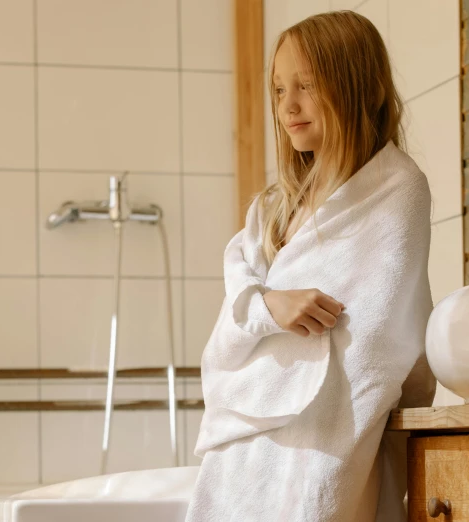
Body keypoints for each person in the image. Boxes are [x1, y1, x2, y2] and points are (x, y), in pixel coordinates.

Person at [186, 10, 435, 521]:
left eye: (306, 85)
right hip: (244, 451)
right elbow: (232, 320)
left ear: (356, 86)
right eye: (279, 90)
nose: (288, 107)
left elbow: (376, 342)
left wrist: (334, 467)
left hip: (327, 444)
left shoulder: (396, 190)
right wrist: (268, 307)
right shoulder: (271, 211)